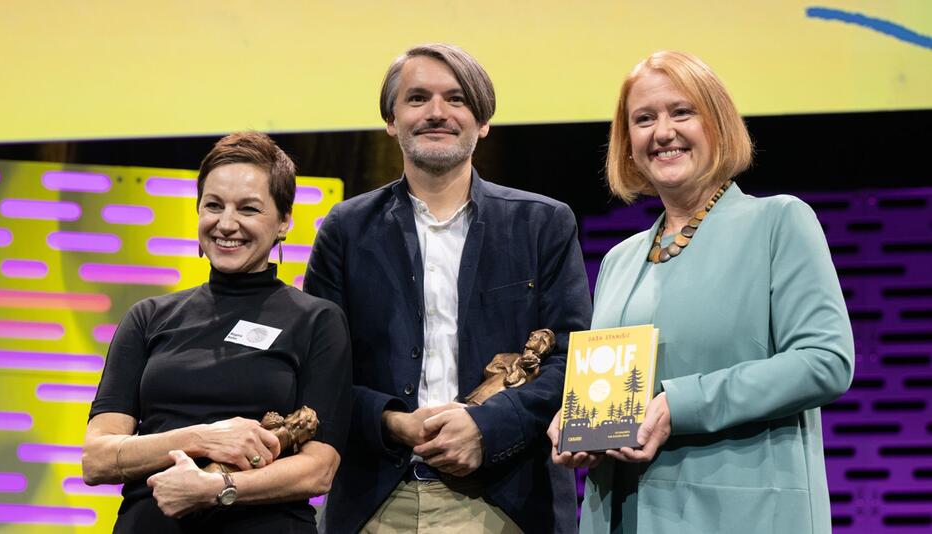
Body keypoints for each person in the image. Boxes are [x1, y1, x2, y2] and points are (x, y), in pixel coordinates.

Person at [548, 50, 855, 533]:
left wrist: (679, 405)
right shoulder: (618, 260)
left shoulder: (777, 222)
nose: (662, 131)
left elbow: (825, 360)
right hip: (619, 515)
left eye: (681, 112)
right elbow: (608, 387)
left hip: (742, 515)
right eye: (643, 119)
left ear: (718, 124)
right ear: (627, 143)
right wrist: (576, 422)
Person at [304, 43, 592, 533]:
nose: (437, 112)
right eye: (417, 98)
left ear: (482, 122)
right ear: (391, 120)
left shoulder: (543, 223)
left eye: (456, 99)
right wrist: (392, 422)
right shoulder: (345, 229)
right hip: (374, 503)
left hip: (506, 504)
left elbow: (573, 359)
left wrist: (486, 427)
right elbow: (318, 372)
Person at [82, 131, 352, 533]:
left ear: (283, 222)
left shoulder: (317, 320)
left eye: (248, 209)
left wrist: (217, 487)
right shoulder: (148, 316)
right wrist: (203, 439)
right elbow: (97, 459)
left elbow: (319, 470)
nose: (227, 224)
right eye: (213, 205)